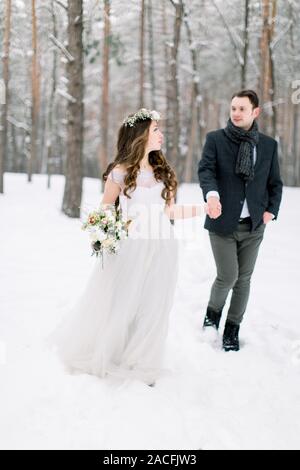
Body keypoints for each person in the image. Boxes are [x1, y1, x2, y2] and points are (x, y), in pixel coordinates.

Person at [48, 108, 201, 386]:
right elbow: (105, 210)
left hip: (163, 246)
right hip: (131, 247)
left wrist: (204, 209)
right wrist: (104, 236)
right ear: (141, 135)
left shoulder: (162, 172)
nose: (161, 134)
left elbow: (169, 212)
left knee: (155, 306)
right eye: (156, 130)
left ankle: (143, 361)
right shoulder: (119, 173)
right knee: (123, 301)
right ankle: (111, 352)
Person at [198, 90, 283, 352]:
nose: (235, 113)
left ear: (255, 112)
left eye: (241, 109)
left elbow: (275, 183)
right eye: (233, 108)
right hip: (222, 222)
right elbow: (206, 171)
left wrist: (271, 210)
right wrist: (211, 196)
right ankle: (211, 318)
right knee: (228, 276)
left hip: (254, 225)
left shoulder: (268, 145)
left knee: (244, 279)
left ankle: (232, 329)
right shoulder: (215, 139)